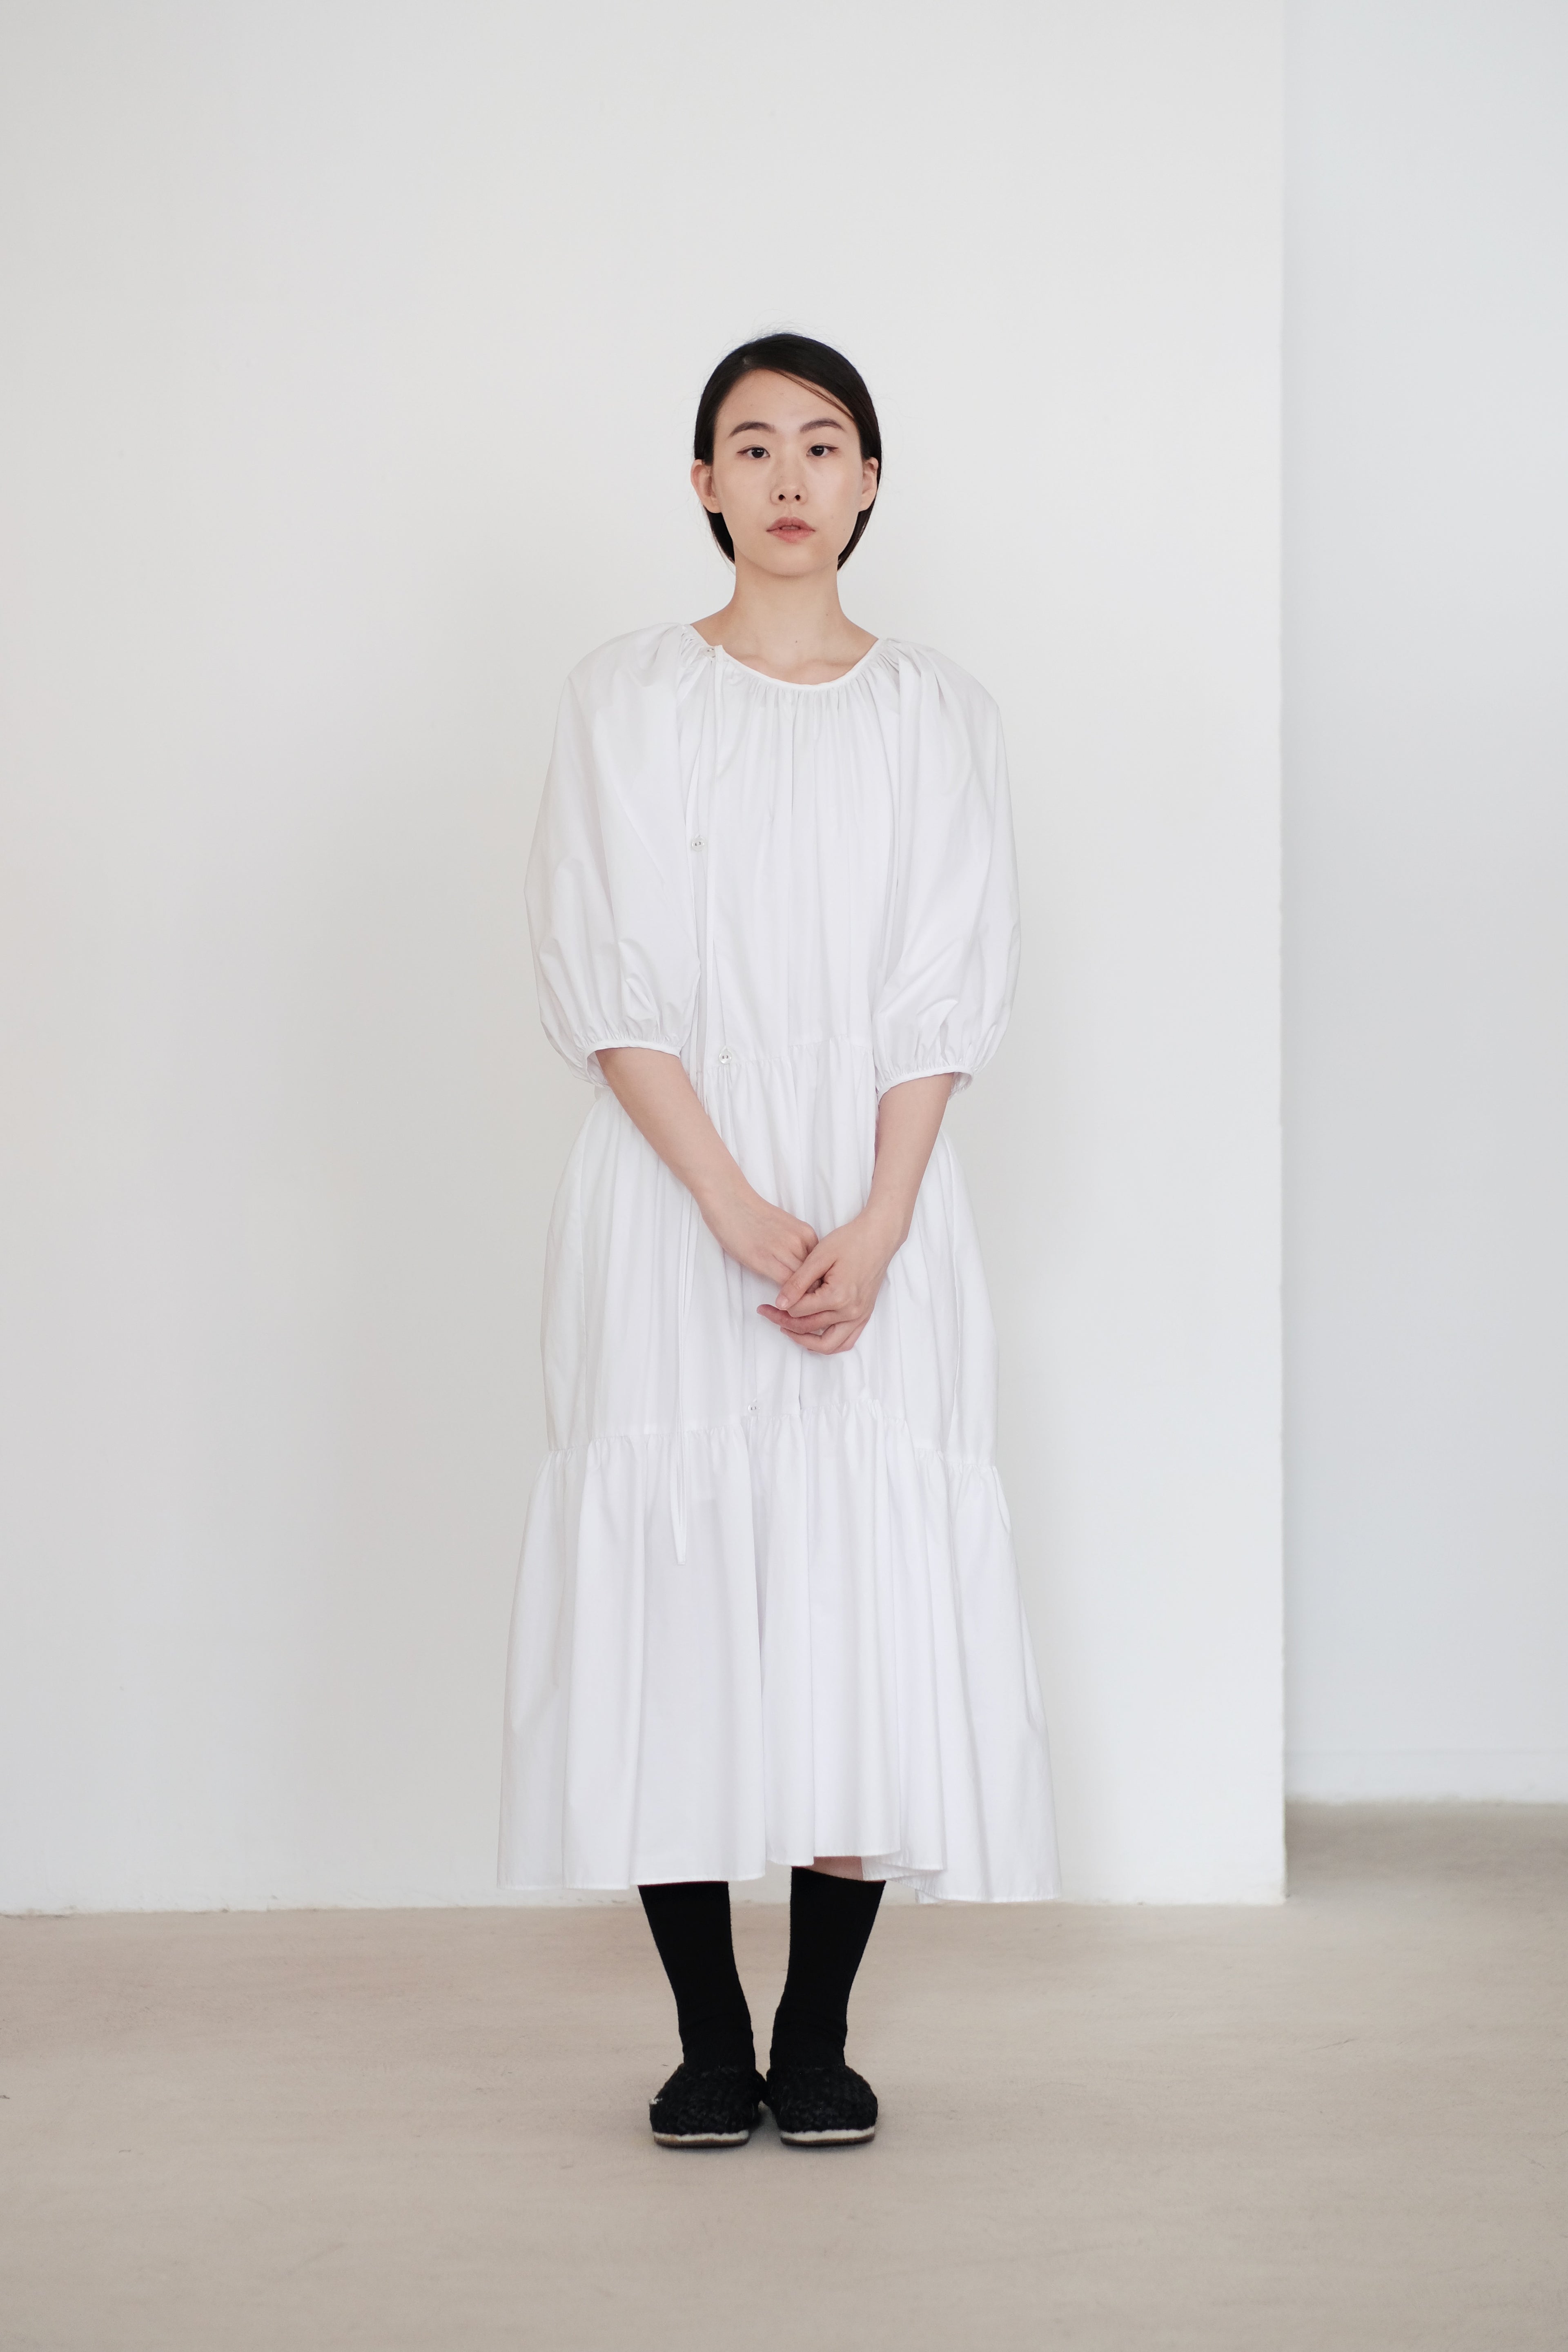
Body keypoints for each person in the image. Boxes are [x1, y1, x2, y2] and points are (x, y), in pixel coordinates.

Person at [501, 332, 1058, 2149]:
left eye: (825, 444)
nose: (790, 476)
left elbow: (943, 988)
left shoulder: (939, 713)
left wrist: (880, 1222)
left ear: (872, 481)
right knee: (674, 1600)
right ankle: (706, 2037)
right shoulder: (625, 698)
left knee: (857, 1594)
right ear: (703, 485)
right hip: (677, 1197)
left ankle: (817, 2032)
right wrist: (734, 1205)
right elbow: (609, 973)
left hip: (880, 1200)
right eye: (751, 446)